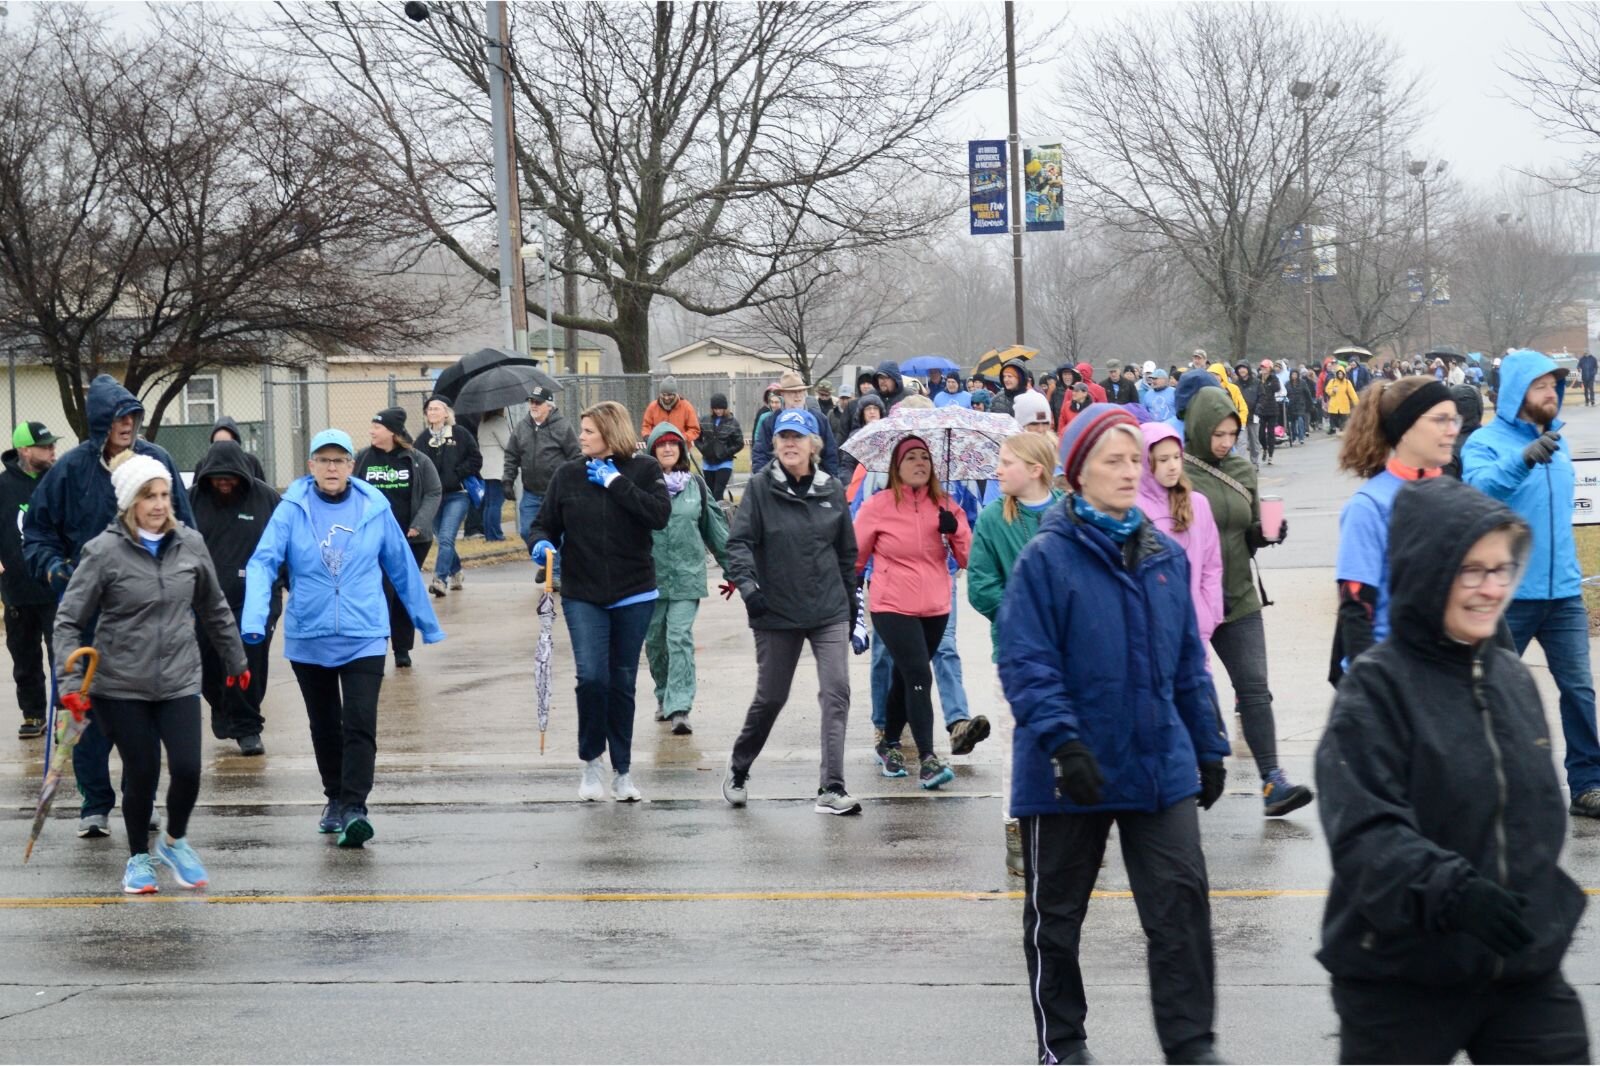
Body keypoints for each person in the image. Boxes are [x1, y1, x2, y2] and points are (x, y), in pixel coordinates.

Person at [1316, 476, 1589, 1064]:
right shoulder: (1375, 689)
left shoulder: (1511, 676)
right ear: (1427, 571)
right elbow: (1364, 835)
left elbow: (1537, 817)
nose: (1491, 589)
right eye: (1472, 571)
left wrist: (1545, 908)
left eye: (1501, 570)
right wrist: (1455, 892)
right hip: (1400, 974)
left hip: (1518, 966)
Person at [1000, 403, 1230, 1066]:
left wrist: (1208, 745)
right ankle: (1062, 1047)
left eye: (1136, 459)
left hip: (1159, 764)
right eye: (1114, 460)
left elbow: (1188, 659)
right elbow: (1026, 659)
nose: (1131, 472)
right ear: (1076, 473)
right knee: (1057, 924)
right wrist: (1062, 741)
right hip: (1069, 770)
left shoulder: (1162, 557)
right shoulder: (1047, 558)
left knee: (1181, 913)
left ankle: (1192, 1047)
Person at [56, 450, 247, 893]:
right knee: (141, 771)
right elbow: (68, 619)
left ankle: (174, 841)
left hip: (179, 677)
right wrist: (70, 685)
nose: (160, 504)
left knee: (187, 768)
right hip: (121, 685)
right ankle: (138, 859)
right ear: (129, 504)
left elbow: (213, 606)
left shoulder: (190, 544)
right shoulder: (103, 552)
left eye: (164, 494)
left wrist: (235, 659)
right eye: (149, 496)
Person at [244, 429, 443, 847]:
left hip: (364, 633)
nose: (331, 468)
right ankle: (334, 798)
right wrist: (255, 617)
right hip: (309, 635)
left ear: (352, 466)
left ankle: (355, 807)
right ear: (311, 466)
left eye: (339, 460)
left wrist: (426, 622)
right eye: (323, 460)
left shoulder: (373, 506)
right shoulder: (292, 508)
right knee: (324, 726)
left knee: (359, 723)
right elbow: (263, 562)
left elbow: (401, 565)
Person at [24, 374, 192, 840]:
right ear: (101, 422)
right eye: (118, 416)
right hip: (87, 611)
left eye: (133, 415)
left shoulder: (156, 461)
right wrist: (55, 567)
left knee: (146, 711)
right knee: (84, 712)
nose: (127, 424)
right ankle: (94, 803)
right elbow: (36, 531)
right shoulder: (71, 469)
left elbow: (186, 530)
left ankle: (143, 797)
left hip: (147, 613)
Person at [1463, 349, 1600, 818]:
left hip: (1563, 594)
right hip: (1506, 596)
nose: (1553, 394)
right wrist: (1521, 460)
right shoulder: (1484, 441)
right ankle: (1480, 782)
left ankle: (1587, 784)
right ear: (1519, 393)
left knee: (1579, 690)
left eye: (1555, 386)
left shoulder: (1557, 442)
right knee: (1490, 692)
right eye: (1542, 386)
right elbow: (1479, 492)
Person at [528, 401, 670, 803]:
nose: (581, 437)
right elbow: (543, 522)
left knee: (622, 680)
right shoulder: (568, 474)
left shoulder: (643, 470)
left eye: (588, 430)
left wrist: (615, 483)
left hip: (634, 591)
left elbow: (659, 514)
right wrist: (539, 542)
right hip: (582, 592)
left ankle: (623, 771)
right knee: (592, 678)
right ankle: (592, 761)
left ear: (610, 432)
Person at [723, 408, 861, 815]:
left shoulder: (832, 489)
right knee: (771, 697)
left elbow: (846, 553)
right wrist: (749, 588)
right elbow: (738, 543)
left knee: (836, 693)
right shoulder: (761, 488)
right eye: (782, 437)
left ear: (813, 444)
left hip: (828, 609)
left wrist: (851, 606)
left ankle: (831, 788)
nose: (788, 444)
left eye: (797, 437)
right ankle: (739, 767)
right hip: (776, 609)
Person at [1183, 387, 1313, 817]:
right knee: (1184, 691)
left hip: (1238, 596)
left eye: (1231, 434)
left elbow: (1248, 532)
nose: (1224, 442)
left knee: (1255, 690)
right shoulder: (1175, 469)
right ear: (1200, 429)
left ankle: (1273, 781)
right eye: (1217, 434)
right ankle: (1179, 779)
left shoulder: (1241, 469)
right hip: (1188, 602)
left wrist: (1265, 534)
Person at [968, 431, 1064, 875]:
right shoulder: (991, 519)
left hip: (1068, 654)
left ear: (1036, 469)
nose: (998, 469)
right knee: (1015, 747)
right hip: (1014, 653)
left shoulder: (1070, 513)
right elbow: (981, 588)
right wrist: (1027, 614)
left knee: (1068, 744)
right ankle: (1017, 833)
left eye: (1007, 462)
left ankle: (1075, 832)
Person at [853, 434, 970, 789]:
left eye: (925, 458)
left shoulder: (947, 505)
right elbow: (855, 557)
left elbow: (968, 559)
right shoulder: (878, 505)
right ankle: (928, 759)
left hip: (936, 605)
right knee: (919, 674)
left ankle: (888, 744)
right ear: (896, 467)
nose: (920, 463)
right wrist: (849, 598)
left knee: (906, 677)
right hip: (891, 604)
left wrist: (956, 534)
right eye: (911, 458)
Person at [1330, 377, 1459, 685]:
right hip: (1395, 683)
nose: (1452, 429)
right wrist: (1371, 692)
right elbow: (1356, 610)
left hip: (1450, 677)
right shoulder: (1369, 506)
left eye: (1454, 419)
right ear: (1405, 427)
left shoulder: (1454, 494)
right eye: (1440, 420)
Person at [189, 438, 282, 754]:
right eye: (218, 477)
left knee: (248, 661)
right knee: (208, 662)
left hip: (255, 599)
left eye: (230, 476)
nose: (224, 482)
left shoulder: (266, 499)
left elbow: (288, 543)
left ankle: (247, 727)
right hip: (204, 599)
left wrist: (287, 583)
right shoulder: (192, 500)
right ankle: (221, 706)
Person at [644, 423, 729, 736]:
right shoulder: (640, 485)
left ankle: (680, 707)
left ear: (682, 449)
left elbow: (716, 531)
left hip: (686, 577)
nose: (667, 449)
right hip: (649, 580)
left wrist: (737, 573)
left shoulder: (696, 486)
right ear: (652, 450)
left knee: (678, 637)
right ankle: (664, 693)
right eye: (661, 444)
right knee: (654, 642)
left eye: (673, 444)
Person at [353, 408, 441, 670]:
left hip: (410, 539)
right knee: (380, 590)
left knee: (402, 592)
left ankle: (402, 649)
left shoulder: (416, 459)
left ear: (391, 432)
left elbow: (433, 492)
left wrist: (419, 524)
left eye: (376, 427)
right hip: (374, 539)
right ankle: (376, 645)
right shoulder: (362, 458)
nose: (372, 431)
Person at [1138, 424, 1223, 647]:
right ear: (1146, 462)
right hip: (1150, 633)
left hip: (1195, 626)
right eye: (1164, 459)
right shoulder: (1132, 508)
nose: (1173, 466)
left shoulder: (1198, 503)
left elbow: (1211, 564)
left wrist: (1209, 613)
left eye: (1177, 457)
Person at [1, 422, 58, 740]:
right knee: (24, 656)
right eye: (45, 445)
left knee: (61, 652)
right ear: (25, 450)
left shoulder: (59, 481)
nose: (52, 450)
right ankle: (34, 713)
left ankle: (65, 712)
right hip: (18, 590)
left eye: (52, 444)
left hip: (55, 587)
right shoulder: (4, 486)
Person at [503, 387, 582, 553]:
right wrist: (508, 480)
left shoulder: (562, 426)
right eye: (531, 401)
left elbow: (576, 456)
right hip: (531, 492)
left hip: (556, 493)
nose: (533, 405)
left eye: (538, 402)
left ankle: (555, 575)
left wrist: (573, 483)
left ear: (549, 405)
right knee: (526, 531)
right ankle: (546, 560)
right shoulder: (521, 427)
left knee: (558, 535)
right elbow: (512, 455)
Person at [417, 396, 481, 596]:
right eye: (430, 409)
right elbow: (416, 465)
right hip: (433, 498)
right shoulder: (422, 439)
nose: (433, 412)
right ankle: (456, 570)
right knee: (443, 539)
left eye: (437, 409)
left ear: (446, 413)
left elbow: (476, 458)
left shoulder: (460, 434)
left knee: (446, 537)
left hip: (457, 495)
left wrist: (458, 473)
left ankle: (440, 579)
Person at [750, 370, 841, 476]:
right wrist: (765, 482)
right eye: (792, 392)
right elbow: (760, 455)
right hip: (778, 483)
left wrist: (829, 482)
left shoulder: (819, 419)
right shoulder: (770, 422)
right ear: (782, 394)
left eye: (800, 391)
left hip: (814, 482)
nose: (797, 395)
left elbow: (830, 454)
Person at [694, 393, 744, 503]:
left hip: (724, 463)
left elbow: (739, 443)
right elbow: (697, 438)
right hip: (708, 464)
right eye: (716, 408)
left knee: (718, 493)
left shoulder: (732, 422)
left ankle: (720, 516)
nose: (718, 411)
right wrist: (704, 449)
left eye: (721, 408)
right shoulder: (704, 420)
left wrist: (726, 452)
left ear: (725, 408)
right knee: (710, 494)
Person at [475, 408, 512, 542]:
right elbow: (508, 444)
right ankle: (496, 535)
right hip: (497, 469)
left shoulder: (483, 422)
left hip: (485, 469)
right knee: (496, 503)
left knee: (489, 504)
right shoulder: (499, 422)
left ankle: (489, 534)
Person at [639, 375, 701, 444]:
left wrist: (681, 438)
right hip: (658, 446)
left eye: (669, 395)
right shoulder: (652, 407)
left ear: (675, 394)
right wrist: (647, 436)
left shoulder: (686, 407)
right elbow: (646, 426)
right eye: (663, 394)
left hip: (681, 447)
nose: (666, 398)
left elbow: (694, 430)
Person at [209, 416, 268, 482]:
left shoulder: (251, 462)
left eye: (226, 443)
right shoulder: (205, 464)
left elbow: (261, 489)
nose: (222, 447)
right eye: (217, 443)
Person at [1256, 364, 1282, 465]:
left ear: (1270, 369)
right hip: (1261, 409)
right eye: (1262, 367)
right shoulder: (1258, 379)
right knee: (1261, 433)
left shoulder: (1273, 378)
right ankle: (1265, 448)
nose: (1264, 369)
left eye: (1266, 368)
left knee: (1271, 433)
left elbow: (1277, 388)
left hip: (1272, 409)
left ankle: (1270, 454)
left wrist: (1267, 383)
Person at [1324, 367, 1358, 434]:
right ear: (1336, 374)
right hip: (1334, 404)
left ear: (1344, 374)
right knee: (1334, 418)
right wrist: (1333, 391)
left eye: (1341, 374)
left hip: (1343, 404)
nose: (1340, 375)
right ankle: (1333, 428)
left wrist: (1357, 403)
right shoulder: (1332, 381)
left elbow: (1352, 393)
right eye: (1339, 374)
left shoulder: (1347, 382)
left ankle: (1342, 430)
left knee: (1343, 419)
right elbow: (1327, 390)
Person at [1286, 367, 1315, 445]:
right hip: (1291, 405)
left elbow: (1307, 393)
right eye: (1293, 374)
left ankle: (1301, 437)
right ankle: (1294, 436)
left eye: (1295, 374)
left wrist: (1311, 403)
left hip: (1300, 404)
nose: (1294, 376)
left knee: (1300, 420)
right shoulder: (1287, 384)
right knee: (1292, 422)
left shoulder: (1302, 383)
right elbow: (1285, 394)